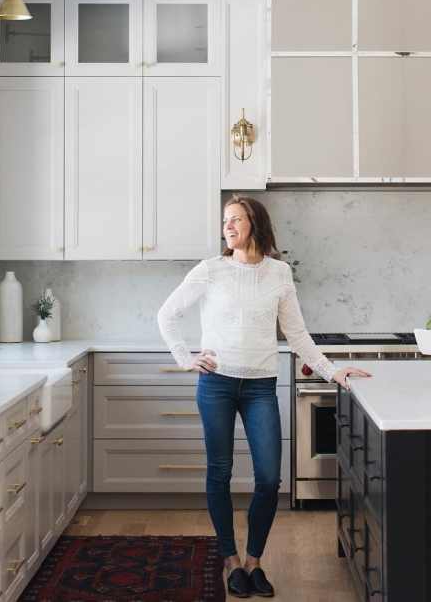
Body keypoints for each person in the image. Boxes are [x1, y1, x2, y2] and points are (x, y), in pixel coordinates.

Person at [157, 194, 371, 598]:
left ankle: (255, 562)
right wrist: (185, 357)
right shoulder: (210, 270)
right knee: (219, 473)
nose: (228, 227)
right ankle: (230, 562)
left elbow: (297, 334)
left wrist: (333, 371)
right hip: (216, 384)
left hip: (259, 386)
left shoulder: (279, 273)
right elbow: (166, 314)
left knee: (270, 478)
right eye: (225, 221)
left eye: (236, 219)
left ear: (255, 223)